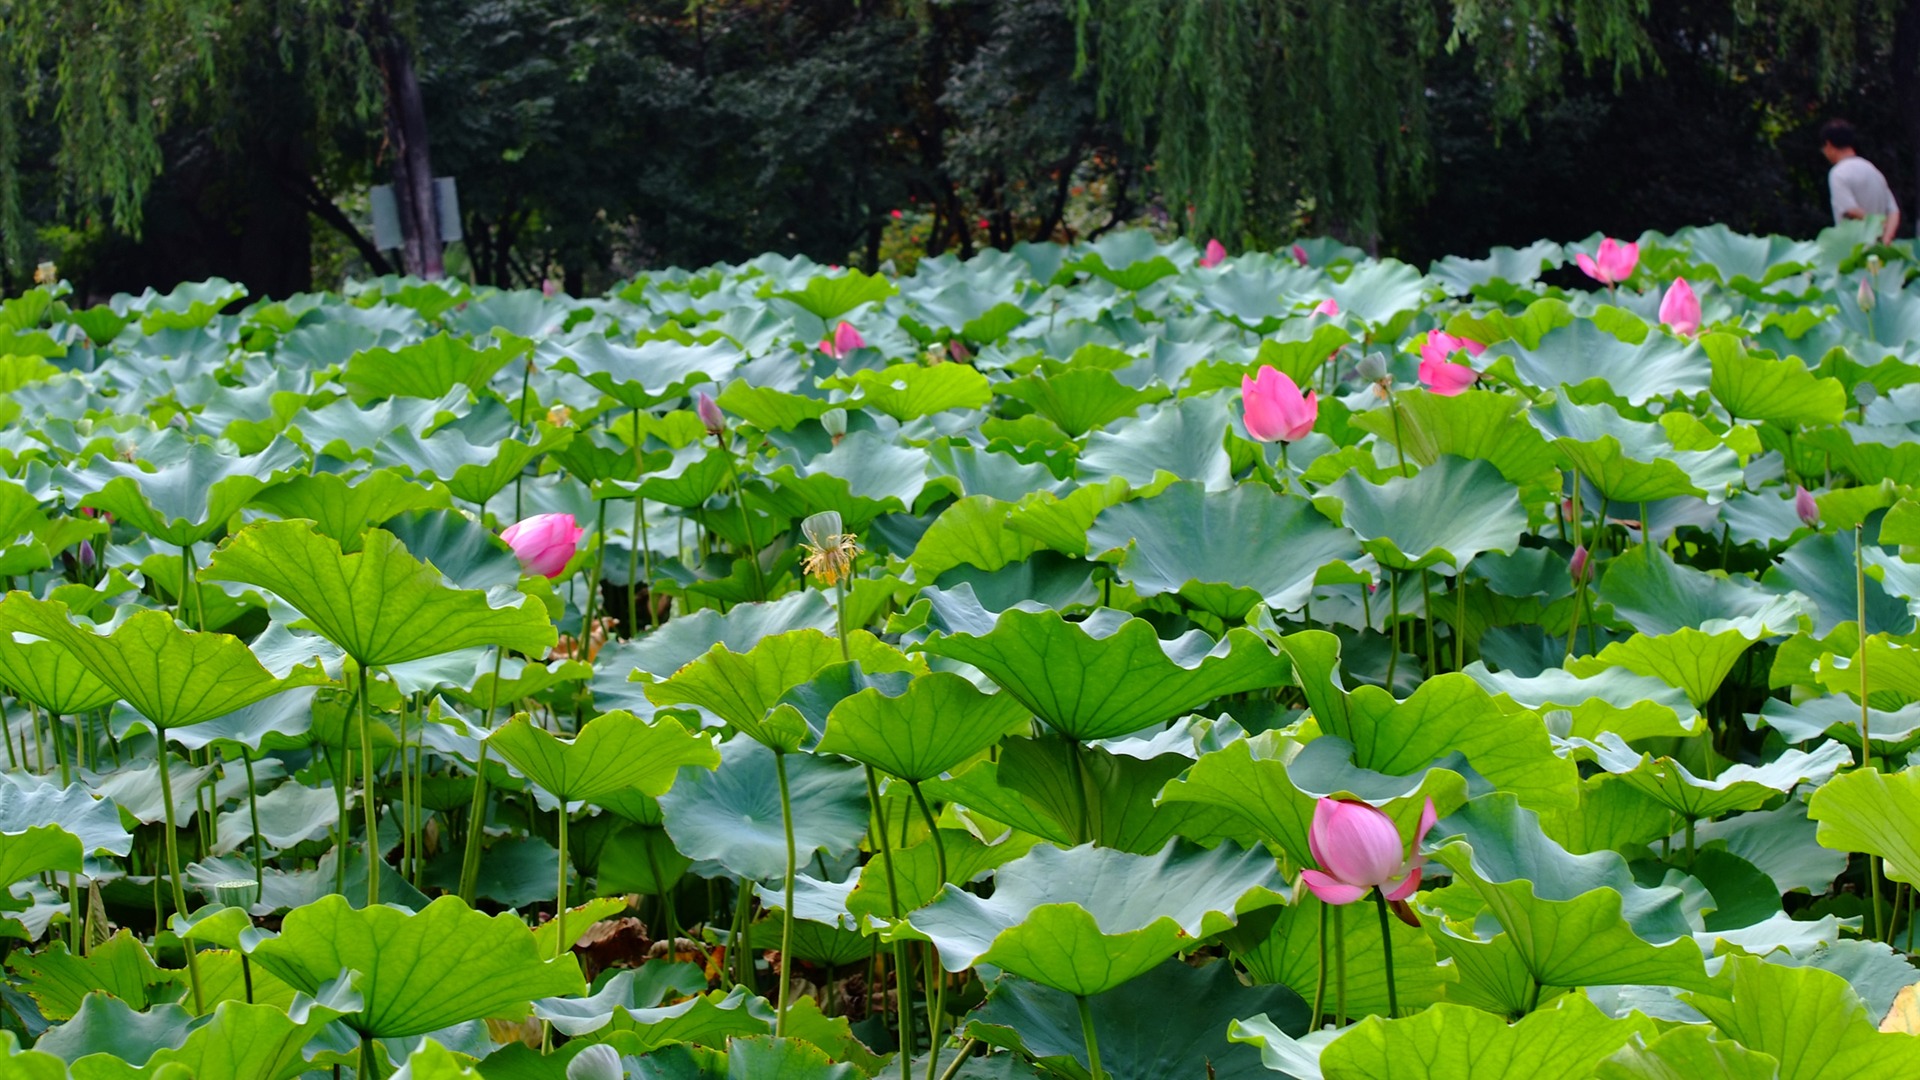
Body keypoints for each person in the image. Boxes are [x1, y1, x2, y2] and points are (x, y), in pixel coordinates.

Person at [1821, 119, 1901, 244]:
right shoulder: (1873, 170)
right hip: (1880, 247)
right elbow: (1894, 211)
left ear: (1829, 145)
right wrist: (1886, 238)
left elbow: (1851, 210)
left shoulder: (1838, 173)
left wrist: (1877, 225)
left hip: (1855, 248)